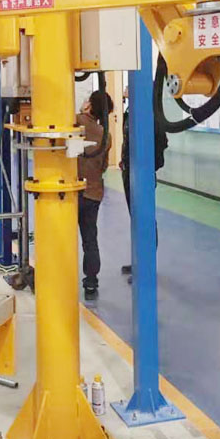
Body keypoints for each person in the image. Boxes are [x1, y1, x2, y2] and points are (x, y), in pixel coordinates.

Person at [120, 86, 168, 281]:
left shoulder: (150, 113)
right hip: (129, 172)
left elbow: (161, 141)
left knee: (145, 220)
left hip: (143, 174)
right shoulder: (130, 112)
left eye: (129, 86)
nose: (125, 88)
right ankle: (138, 262)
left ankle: (146, 267)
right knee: (136, 219)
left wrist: (148, 166)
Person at [76, 89, 115, 299]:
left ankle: (56, 279)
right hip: (93, 192)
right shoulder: (105, 135)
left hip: (70, 191)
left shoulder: (74, 122)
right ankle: (91, 282)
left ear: (89, 104)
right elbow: (104, 166)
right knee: (90, 239)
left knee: (61, 236)